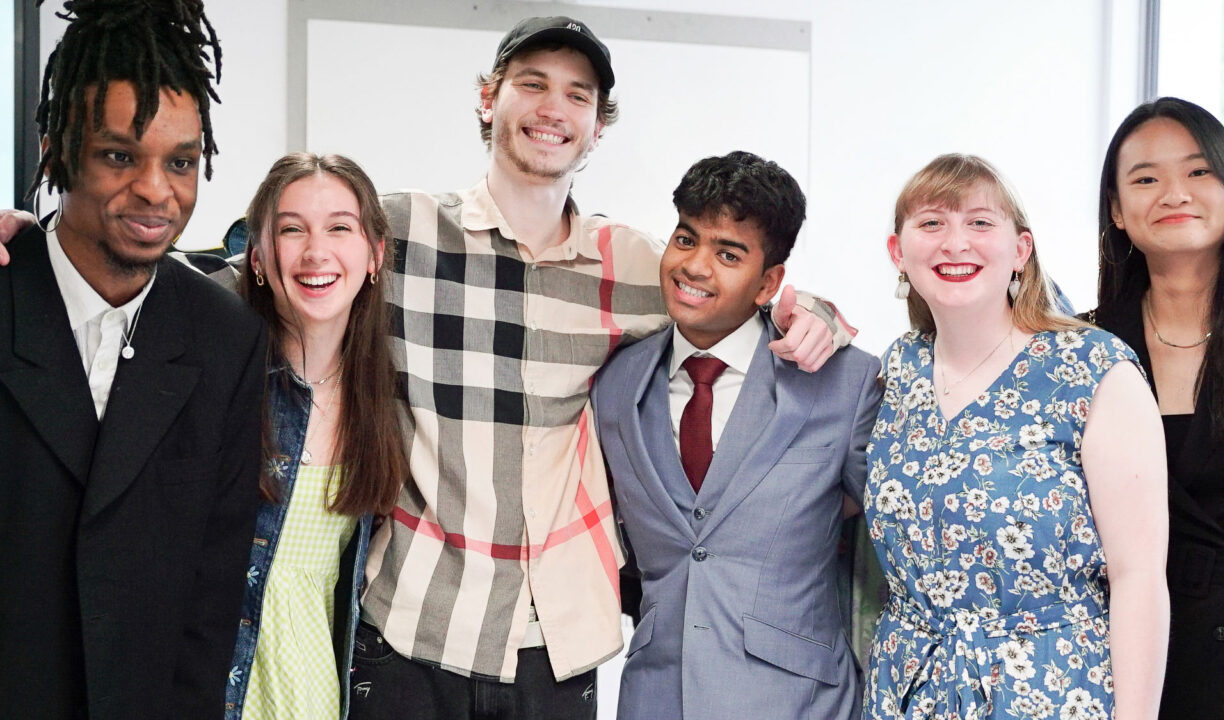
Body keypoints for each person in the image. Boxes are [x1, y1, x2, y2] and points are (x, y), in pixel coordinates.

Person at [344, 16, 851, 720]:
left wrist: (811, 309)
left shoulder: (636, 264)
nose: (554, 109)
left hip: (554, 644)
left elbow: (732, 289)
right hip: (411, 622)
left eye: (578, 95)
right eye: (532, 84)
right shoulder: (400, 233)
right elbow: (280, 263)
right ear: (489, 98)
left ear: (598, 126)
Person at [0, 1, 267, 718]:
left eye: (181, 162)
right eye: (120, 155)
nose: (157, 190)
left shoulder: (226, 336)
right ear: (57, 152)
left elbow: (211, 600)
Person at [862, 154, 1169, 719]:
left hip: (1050, 690)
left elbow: (1140, 576)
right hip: (908, 689)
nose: (956, 243)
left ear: (1020, 251)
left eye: (980, 222)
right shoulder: (899, 368)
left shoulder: (1091, 368)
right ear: (897, 252)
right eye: (932, 223)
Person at [591, 151, 880, 719]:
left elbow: (896, 535)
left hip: (801, 703)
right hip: (655, 698)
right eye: (685, 239)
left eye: (728, 253)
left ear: (769, 281)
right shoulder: (614, 381)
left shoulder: (842, 380)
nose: (695, 266)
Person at [1091, 97, 1224, 720]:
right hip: (1131, 666)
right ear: (1117, 211)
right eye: (1145, 179)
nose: (1174, 193)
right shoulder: (1077, 349)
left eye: (1198, 172)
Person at [223, 153, 407, 719]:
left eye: (339, 227)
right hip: (215, 683)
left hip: (314, 691)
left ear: (374, 255)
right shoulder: (218, 372)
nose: (315, 251)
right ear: (256, 257)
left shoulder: (384, 394)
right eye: (291, 229)